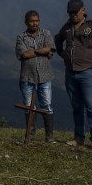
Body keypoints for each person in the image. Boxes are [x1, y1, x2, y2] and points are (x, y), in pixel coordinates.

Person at [55, 0, 92, 149]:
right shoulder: (67, 27)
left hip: (87, 71)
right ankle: (78, 137)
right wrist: (62, 53)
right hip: (70, 73)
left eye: (75, 12)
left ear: (83, 10)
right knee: (76, 106)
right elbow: (57, 40)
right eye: (70, 12)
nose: (73, 15)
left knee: (91, 105)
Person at [16, 10, 56, 142]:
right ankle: (30, 134)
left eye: (37, 21)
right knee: (29, 107)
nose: (35, 23)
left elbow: (50, 48)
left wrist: (35, 51)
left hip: (45, 77)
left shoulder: (46, 33)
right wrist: (42, 51)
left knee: (47, 105)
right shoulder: (21, 37)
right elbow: (24, 54)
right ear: (26, 22)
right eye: (32, 21)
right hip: (27, 77)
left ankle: (49, 136)